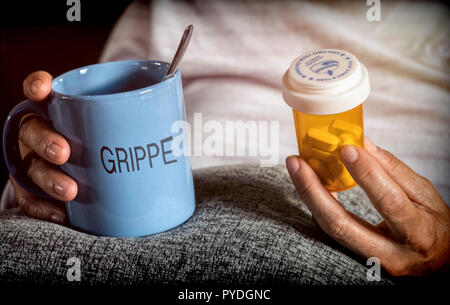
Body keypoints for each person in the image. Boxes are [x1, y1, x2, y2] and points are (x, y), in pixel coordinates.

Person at [2, 0, 449, 278]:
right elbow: (74, 133)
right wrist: (35, 169)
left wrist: (443, 255)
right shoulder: (164, 9)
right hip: (82, 237)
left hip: (368, 226)